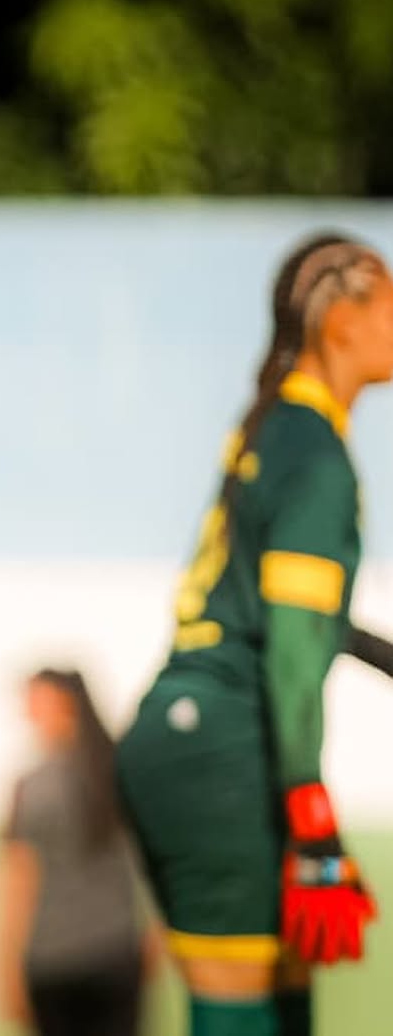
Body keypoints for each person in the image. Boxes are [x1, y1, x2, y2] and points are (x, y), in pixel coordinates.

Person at [116, 233, 393, 1036]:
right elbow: (294, 653)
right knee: (241, 1018)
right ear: (342, 320)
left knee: (285, 1007)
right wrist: (311, 803)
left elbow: (298, 616)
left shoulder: (282, 428)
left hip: (203, 737)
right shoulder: (314, 452)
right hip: (222, 750)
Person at [0, 668, 155, 1036]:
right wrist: (153, 938)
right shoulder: (119, 774)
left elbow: (18, 881)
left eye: (33, 704)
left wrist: (5, 967)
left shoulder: (32, 787)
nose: (27, 715)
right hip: (117, 953)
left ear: (63, 704)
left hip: (54, 961)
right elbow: (148, 865)